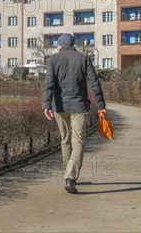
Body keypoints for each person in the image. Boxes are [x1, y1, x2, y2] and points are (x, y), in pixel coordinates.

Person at [42, 33, 106, 194]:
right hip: (79, 106)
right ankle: (70, 176)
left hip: (59, 106)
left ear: (60, 45)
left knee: (65, 141)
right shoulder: (84, 58)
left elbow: (49, 84)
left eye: (57, 45)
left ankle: (68, 174)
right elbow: (94, 83)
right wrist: (101, 105)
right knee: (78, 141)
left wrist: (46, 105)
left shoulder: (54, 60)